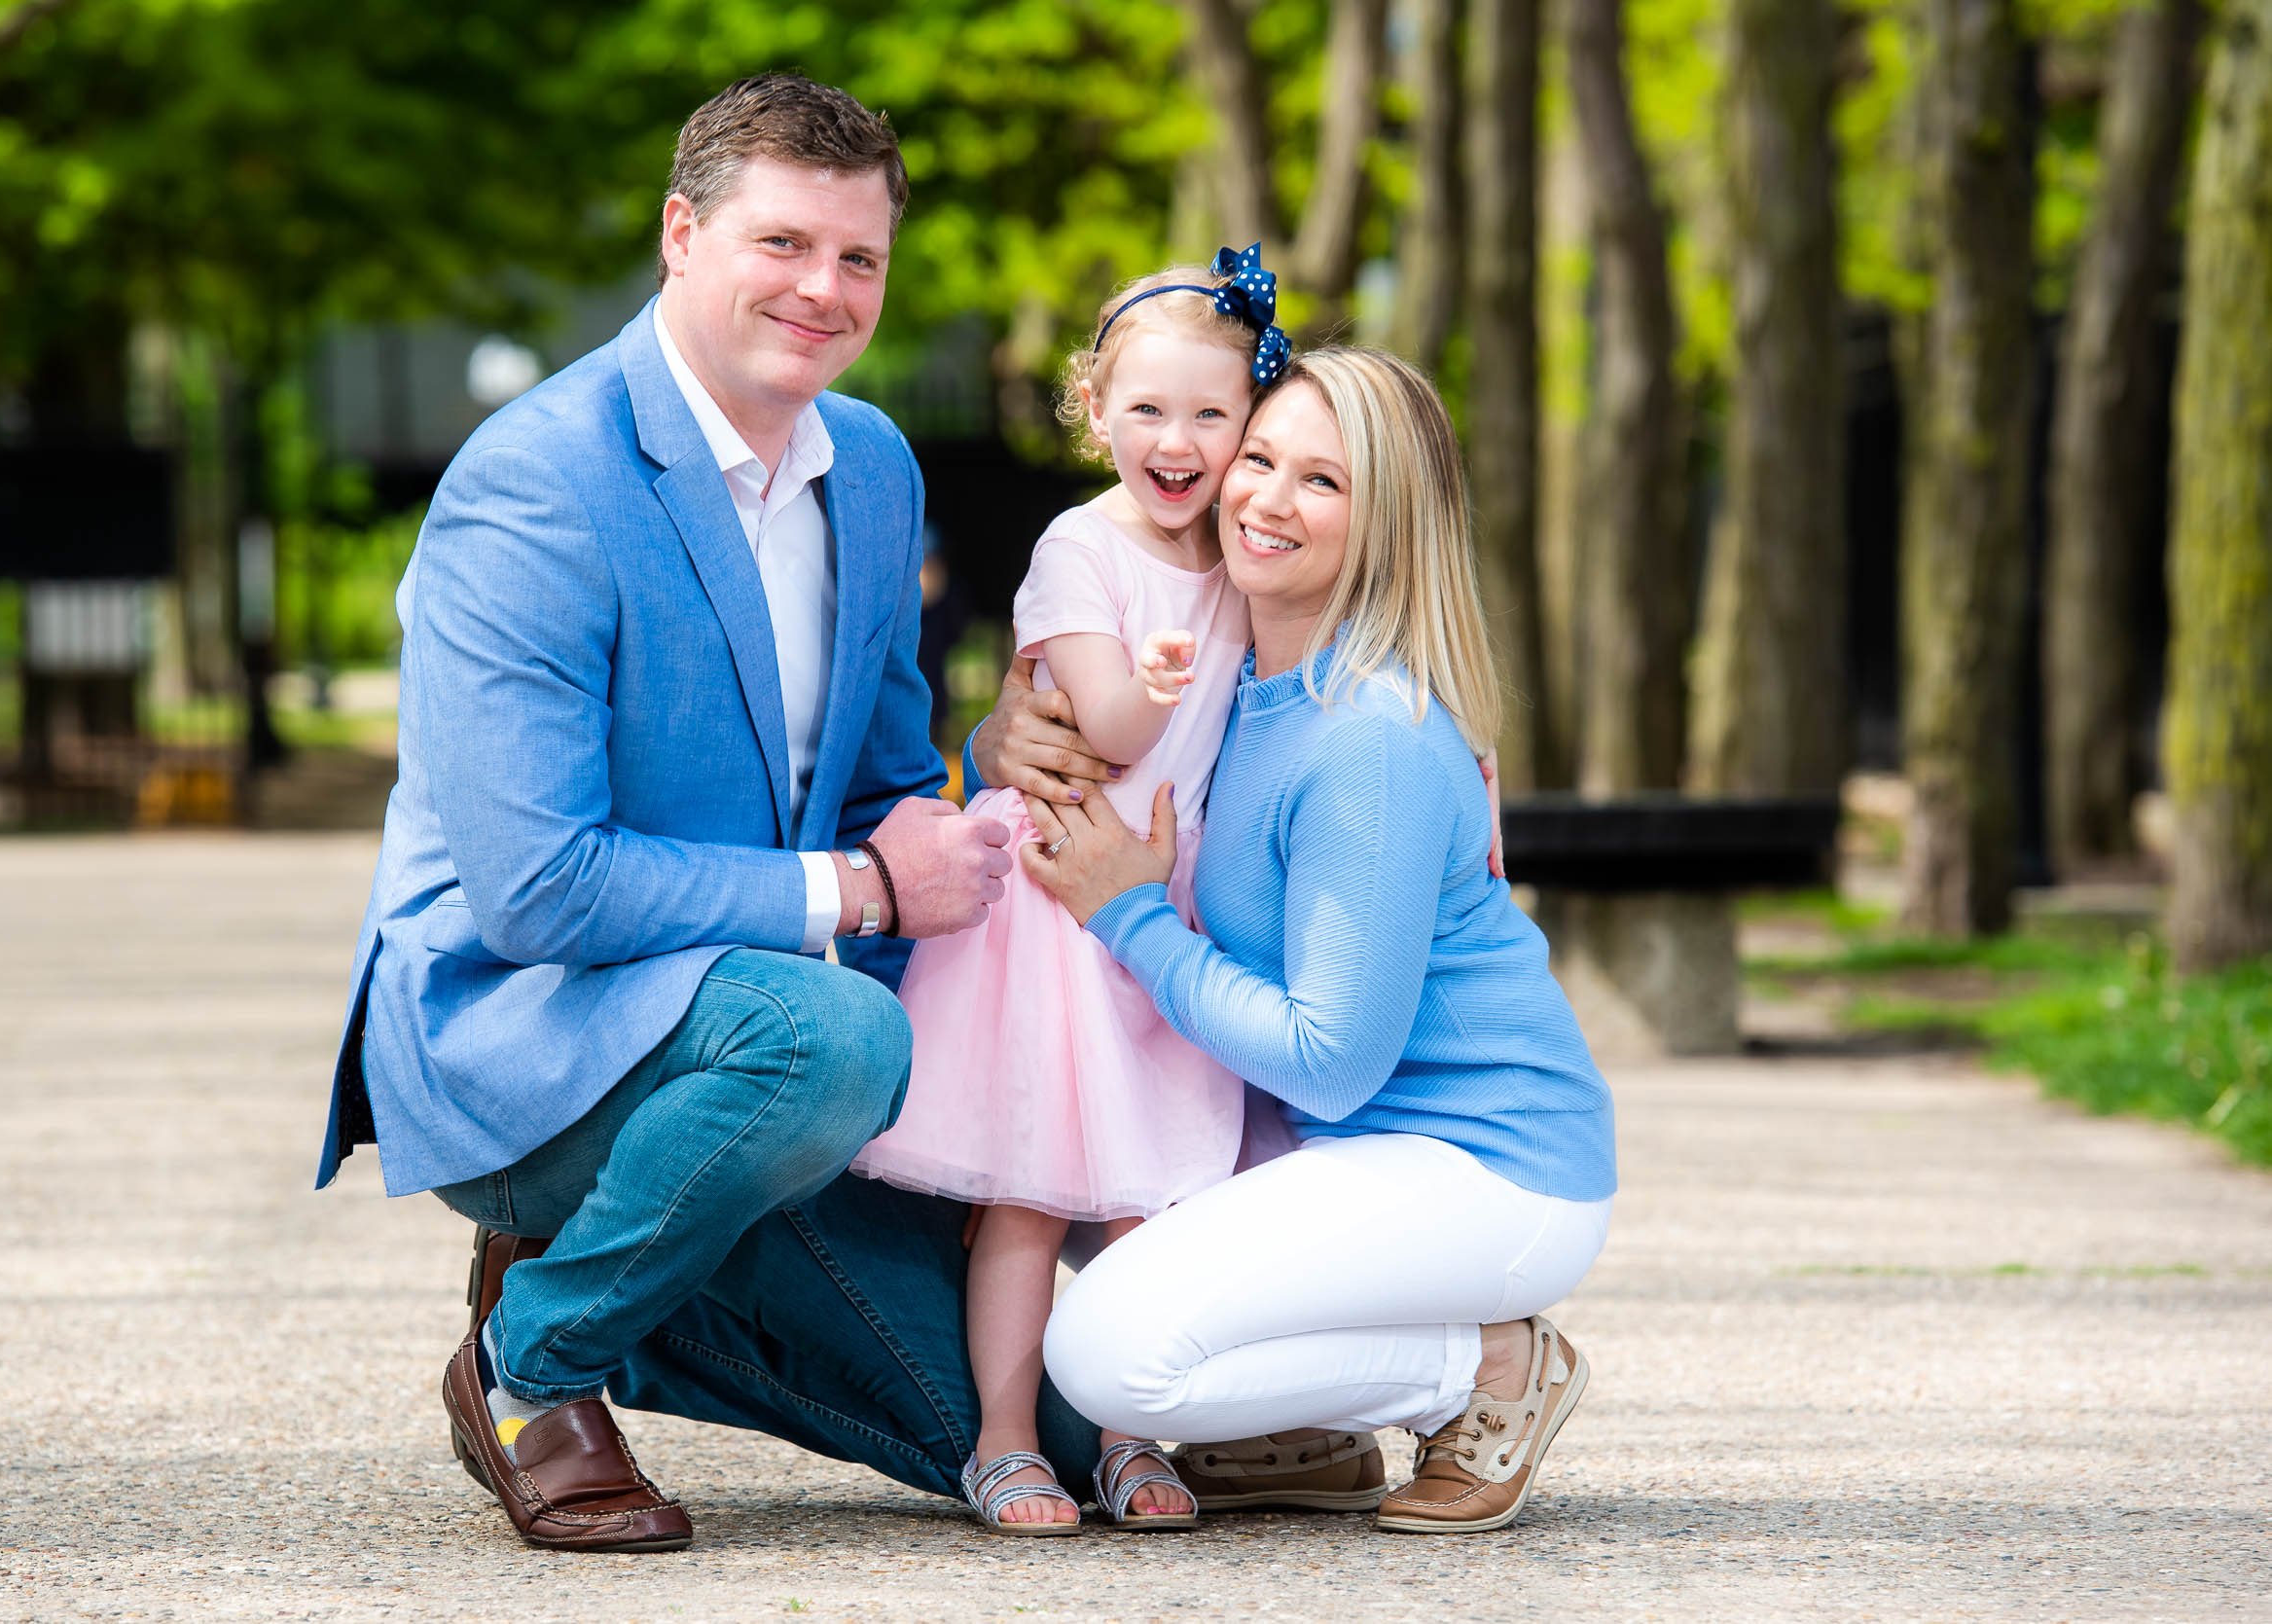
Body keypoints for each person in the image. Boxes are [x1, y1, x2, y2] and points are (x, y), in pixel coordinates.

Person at [317, 75, 1073, 1554]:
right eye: (783, 242)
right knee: (834, 1035)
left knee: (1061, 1431)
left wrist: (984, 842)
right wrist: (859, 891)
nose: (823, 288)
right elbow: (539, 889)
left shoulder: (874, 466)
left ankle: (652, 1280)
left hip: (754, 1047)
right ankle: (533, 1360)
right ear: (681, 233)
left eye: (859, 258)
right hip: (523, 1031)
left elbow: (883, 784)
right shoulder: (535, 485)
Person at [1002, 346, 1618, 1535]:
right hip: (1340, 1146)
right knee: (1052, 1158)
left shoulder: (1367, 742)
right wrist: (1003, 735)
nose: (1268, 500)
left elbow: (1330, 1058)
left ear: (1385, 522)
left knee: (1110, 1356)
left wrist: (1126, 915)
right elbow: (1095, 729)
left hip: (1482, 1161)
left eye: (1322, 482)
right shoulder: (1238, 687)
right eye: (1261, 458)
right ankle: (1302, 1431)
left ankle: (1486, 1365)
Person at [849, 252, 1287, 1534]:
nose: (1178, 439)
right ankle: (1000, 1439)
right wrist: (1151, 677)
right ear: (1094, 409)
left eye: (1212, 413)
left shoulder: (1245, 553)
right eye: (1147, 408)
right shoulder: (1078, 549)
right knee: (1035, 1196)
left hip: (1165, 898)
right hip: (1059, 906)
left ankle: (1130, 1432)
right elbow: (1104, 719)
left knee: (1151, 1202)